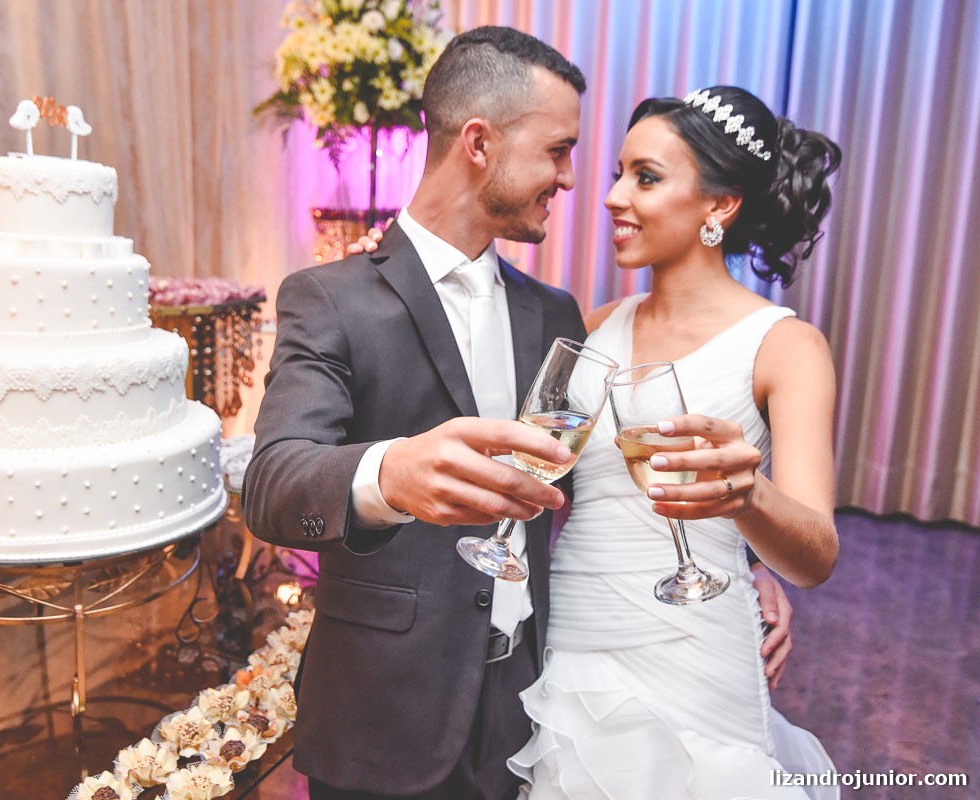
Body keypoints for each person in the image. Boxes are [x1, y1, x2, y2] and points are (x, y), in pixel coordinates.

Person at [245, 25, 789, 798]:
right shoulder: (328, 299)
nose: (571, 179)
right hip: (384, 714)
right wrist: (388, 475)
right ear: (479, 143)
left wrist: (750, 563)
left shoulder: (556, 314)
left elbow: (612, 473)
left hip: (526, 718)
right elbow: (273, 486)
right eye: (558, 151)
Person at [504, 87, 843, 798]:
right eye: (618, 174)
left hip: (698, 644)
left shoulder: (786, 347)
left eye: (647, 177)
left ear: (720, 205)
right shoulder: (593, 327)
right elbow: (542, 476)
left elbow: (815, 557)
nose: (613, 197)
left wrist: (749, 503)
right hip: (576, 635)